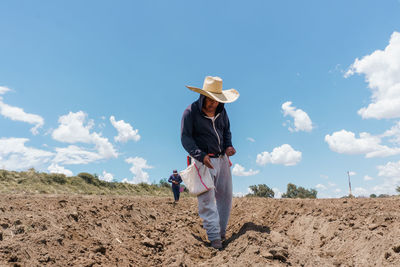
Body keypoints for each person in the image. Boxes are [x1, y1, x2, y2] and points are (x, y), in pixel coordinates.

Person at [181, 76, 239, 249]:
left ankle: (221, 233)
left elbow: (226, 131)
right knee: (206, 199)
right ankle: (214, 239)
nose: (213, 103)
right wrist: (201, 155)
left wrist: (228, 146)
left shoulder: (222, 111)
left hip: (222, 159)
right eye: (210, 99)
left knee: (225, 197)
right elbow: (185, 138)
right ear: (203, 96)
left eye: (216, 100)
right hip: (202, 161)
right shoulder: (190, 112)